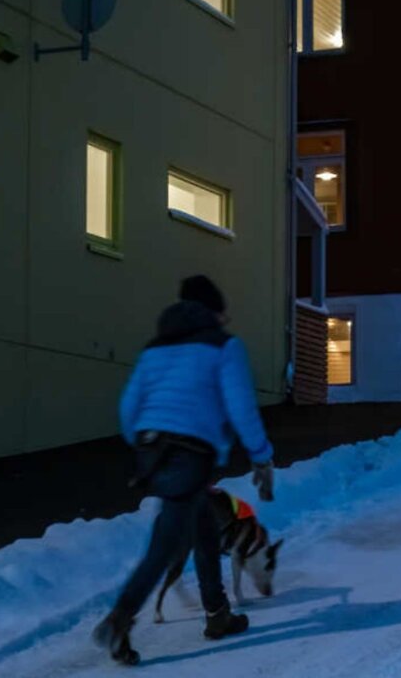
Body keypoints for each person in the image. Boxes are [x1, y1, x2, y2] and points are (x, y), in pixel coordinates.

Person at [92, 275, 276, 665]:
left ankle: (217, 615)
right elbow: (242, 408)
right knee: (166, 543)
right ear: (212, 311)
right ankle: (118, 621)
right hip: (190, 453)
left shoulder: (154, 349)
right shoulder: (224, 346)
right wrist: (261, 456)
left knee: (202, 524)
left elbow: (129, 409)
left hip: (151, 448)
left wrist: (146, 446)